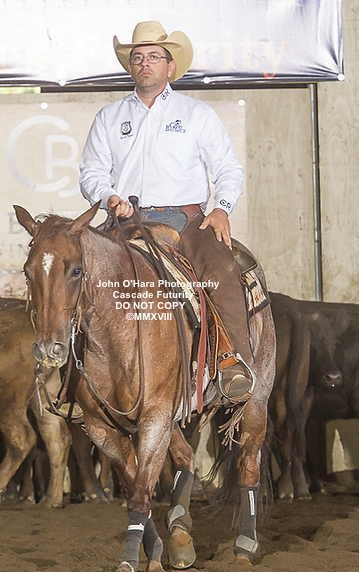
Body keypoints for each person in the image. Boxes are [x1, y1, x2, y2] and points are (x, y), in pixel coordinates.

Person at [79, 21, 254, 400]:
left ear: (170, 66)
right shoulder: (109, 117)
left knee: (221, 269)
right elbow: (92, 172)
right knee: (77, 273)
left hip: (187, 219)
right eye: (138, 57)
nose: (145, 63)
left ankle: (231, 360)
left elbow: (227, 168)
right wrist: (108, 198)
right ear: (130, 66)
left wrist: (222, 208)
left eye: (154, 57)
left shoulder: (196, 113)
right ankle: (72, 368)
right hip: (126, 219)